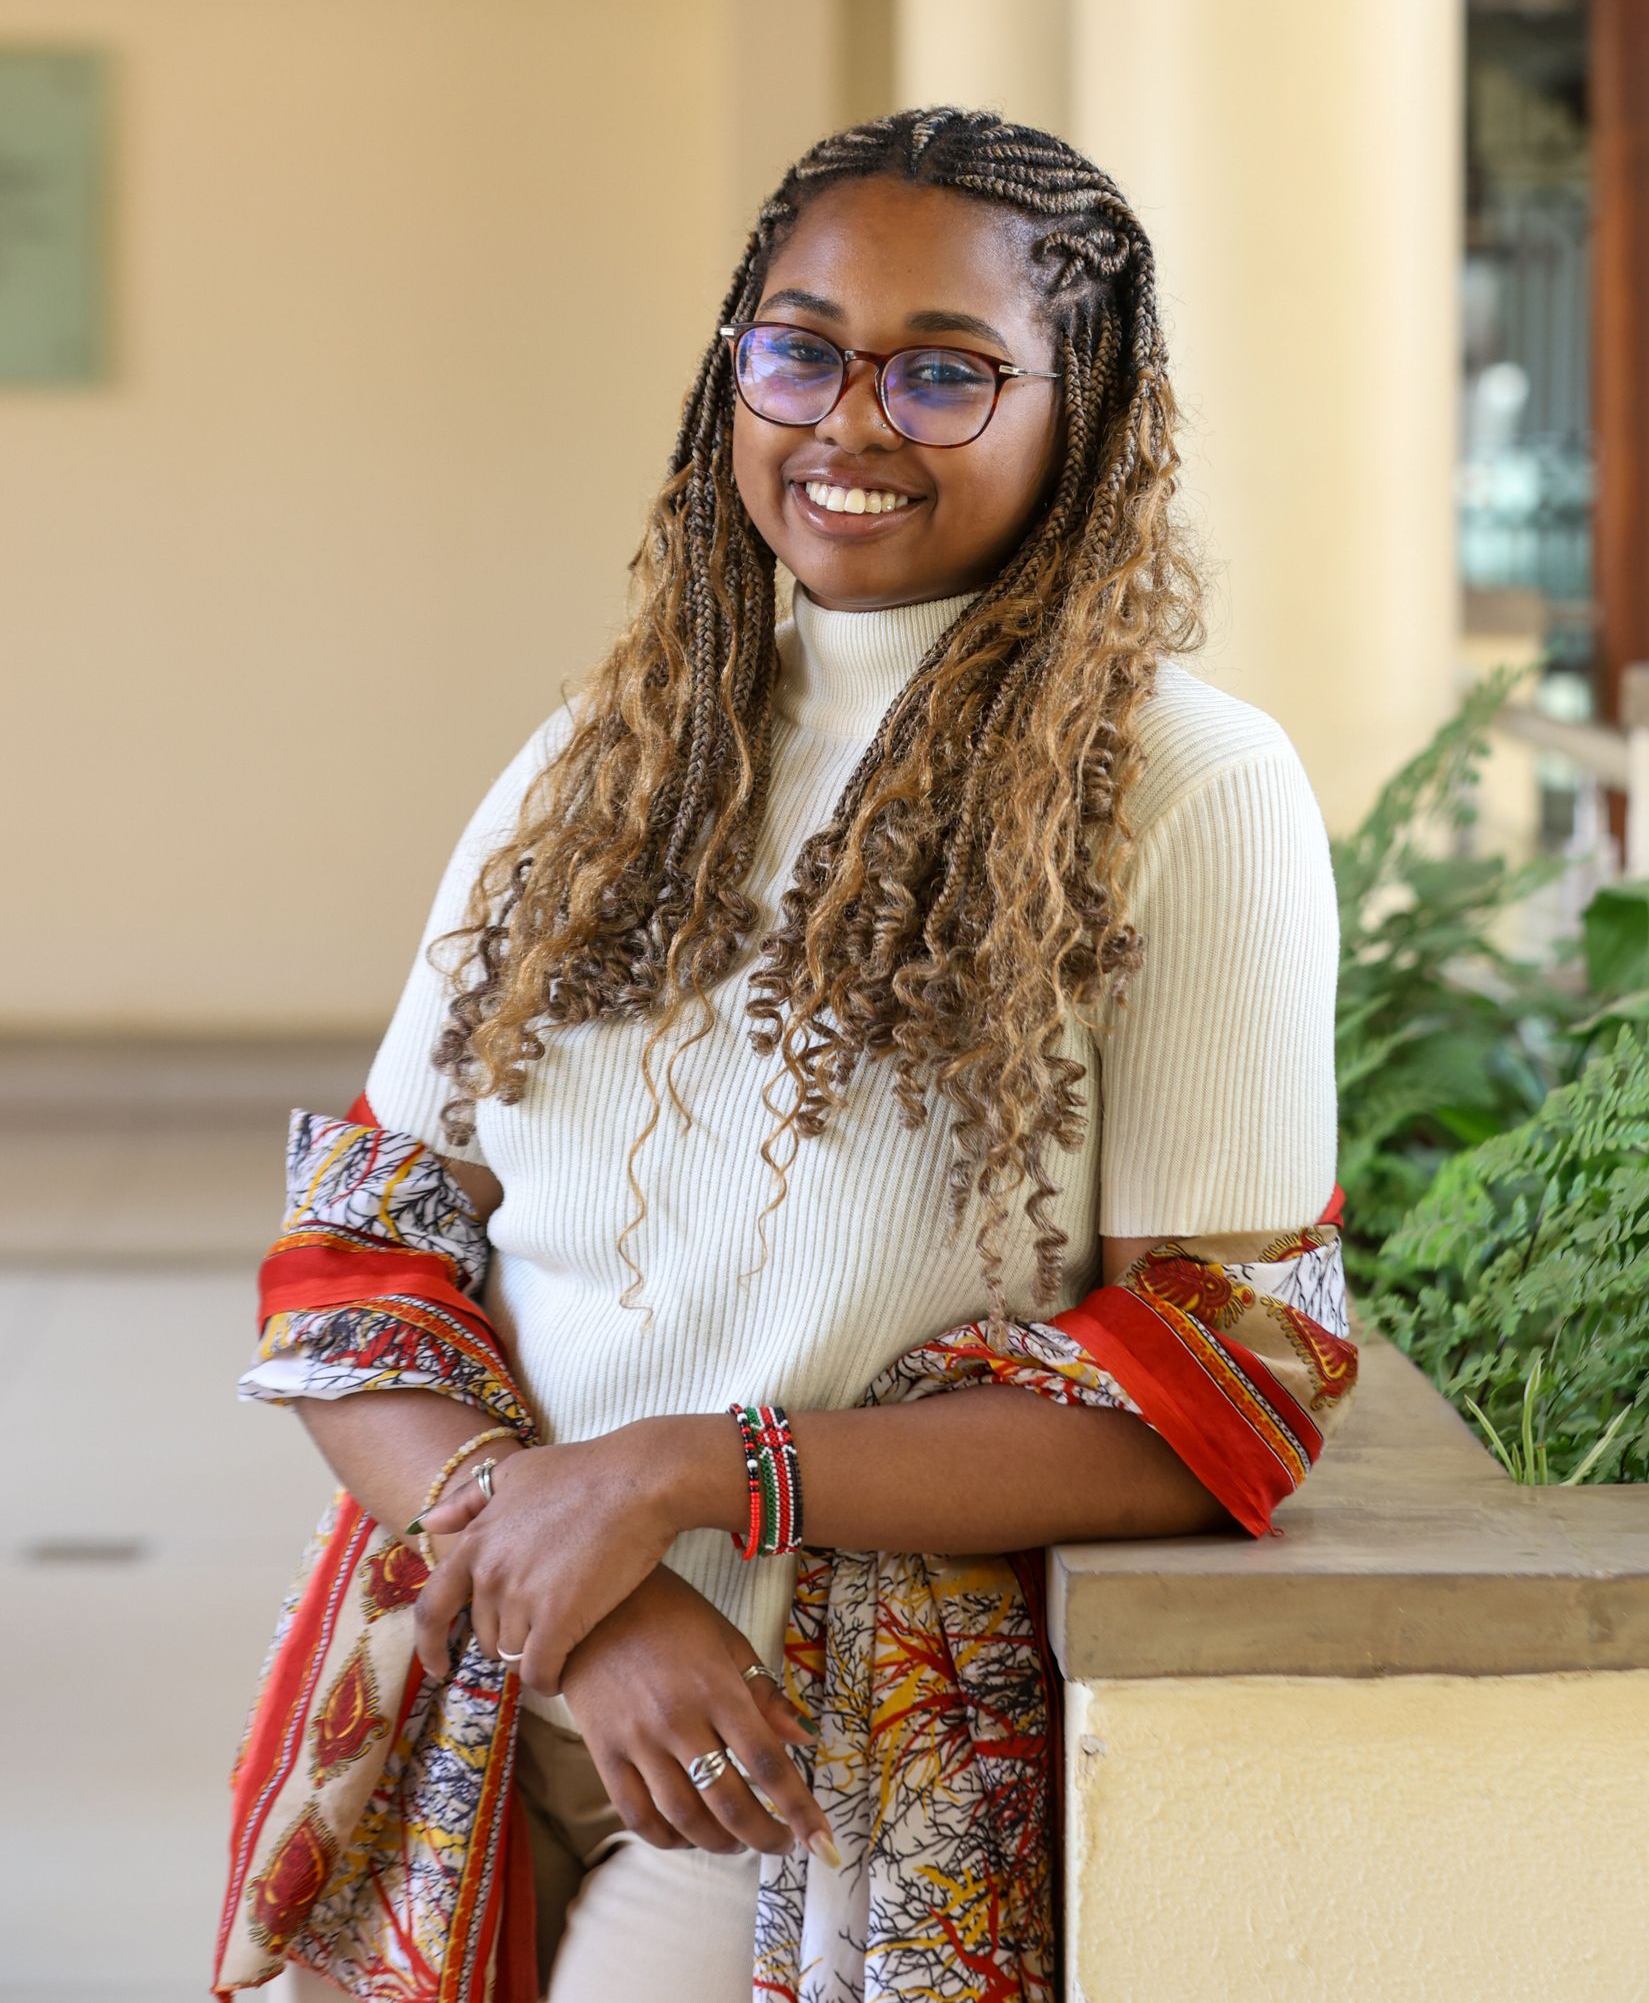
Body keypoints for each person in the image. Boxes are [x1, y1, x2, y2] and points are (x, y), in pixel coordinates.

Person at [251, 108, 1339, 2002]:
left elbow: (1221, 1391)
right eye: (799, 346)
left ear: (1078, 414)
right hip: (481, 1692)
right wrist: (588, 1599)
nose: (850, 420)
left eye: (943, 371)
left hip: (817, 1762)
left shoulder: (1187, 787)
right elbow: (363, 1269)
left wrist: (685, 1476)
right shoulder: (614, 753)